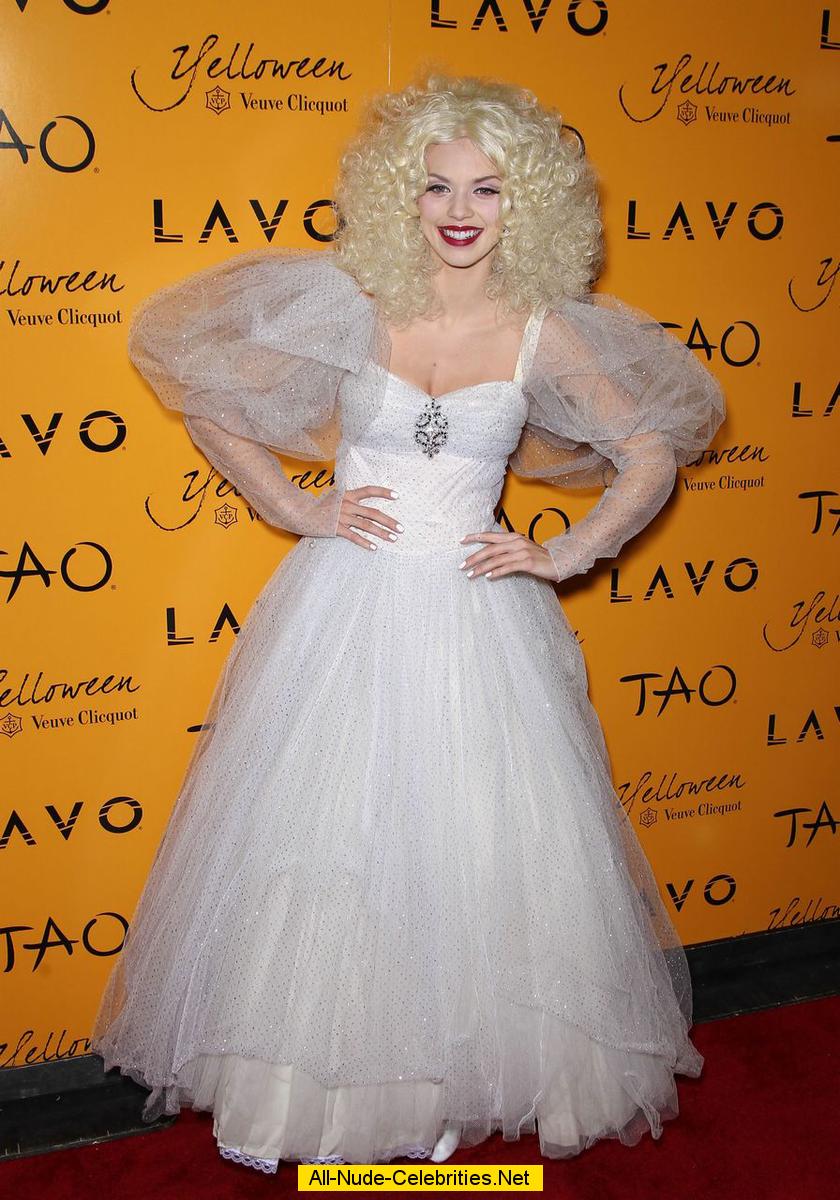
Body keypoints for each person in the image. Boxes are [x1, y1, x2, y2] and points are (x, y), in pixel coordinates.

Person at [89, 73, 725, 1173]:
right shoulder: (352, 300)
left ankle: (457, 1088)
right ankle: (342, 1109)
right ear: (403, 195)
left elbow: (651, 449)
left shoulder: (544, 331)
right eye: (437, 185)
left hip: (478, 624)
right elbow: (211, 392)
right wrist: (294, 506)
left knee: (476, 850)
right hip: (346, 614)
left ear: (528, 202)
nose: (459, 210)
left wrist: (570, 549)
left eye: (487, 187)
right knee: (333, 847)